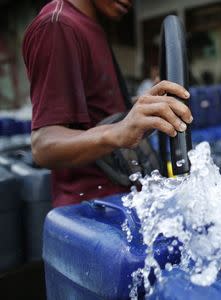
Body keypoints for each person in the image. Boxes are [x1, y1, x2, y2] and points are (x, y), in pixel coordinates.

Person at [22, 0, 192, 207]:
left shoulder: (90, 25)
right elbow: (43, 146)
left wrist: (142, 107)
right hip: (91, 214)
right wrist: (119, 131)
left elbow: (95, 110)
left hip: (120, 199)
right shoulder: (57, 25)